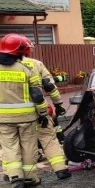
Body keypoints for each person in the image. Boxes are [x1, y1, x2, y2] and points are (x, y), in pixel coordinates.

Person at [0, 34, 50, 188]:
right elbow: (37, 96)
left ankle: (15, 177)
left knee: (9, 147)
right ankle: (30, 177)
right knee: (28, 146)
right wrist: (43, 114)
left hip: (3, 118)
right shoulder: (27, 70)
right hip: (27, 118)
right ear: (21, 51)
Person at [20, 38, 71, 180]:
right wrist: (59, 105)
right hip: (39, 110)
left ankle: (21, 175)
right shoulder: (36, 64)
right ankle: (61, 169)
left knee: (24, 143)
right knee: (49, 138)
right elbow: (49, 86)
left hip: (12, 115)